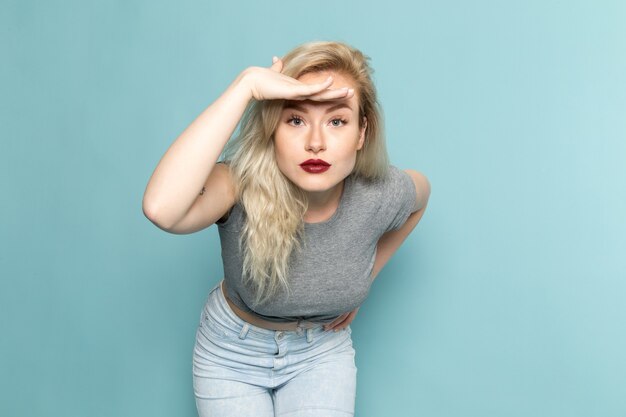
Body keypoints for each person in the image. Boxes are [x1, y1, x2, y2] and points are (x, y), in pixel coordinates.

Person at [142, 40, 430, 417]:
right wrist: (244, 87)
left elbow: (419, 197)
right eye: (295, 120)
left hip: (321, 352)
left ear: (362, 134)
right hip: (231, 354)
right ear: (272, 129)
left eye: (337, 121)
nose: (315, 143)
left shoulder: (380, 193)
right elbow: (162, 209)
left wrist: (366, 275)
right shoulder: (238, 184)